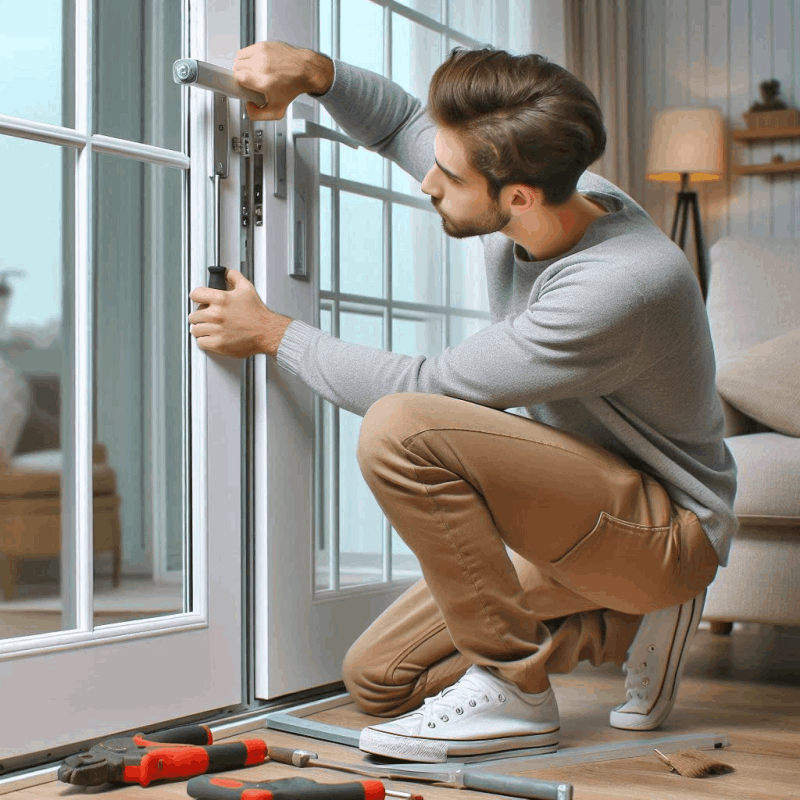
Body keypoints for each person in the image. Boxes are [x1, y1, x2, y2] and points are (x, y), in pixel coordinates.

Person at [188, 40, 738, 764]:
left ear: (517, 198)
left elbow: (426, 387)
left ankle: (517, 690)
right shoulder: (535, 185)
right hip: (581, 514)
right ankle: (624, 622)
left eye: (448, 176)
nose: (428, 182)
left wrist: (272, 334)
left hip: (665, 529)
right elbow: (399, 124)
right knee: (378, 679)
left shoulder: (617, 285)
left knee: (401, 427)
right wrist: (317, 74)